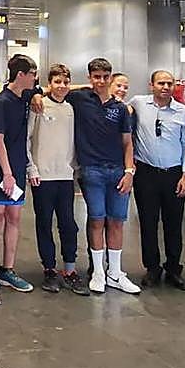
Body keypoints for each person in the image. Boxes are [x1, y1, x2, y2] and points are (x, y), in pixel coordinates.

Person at [35, 58, 140, 295]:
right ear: (90, 78)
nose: (101, 81)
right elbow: (60, 87)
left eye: (105, 77)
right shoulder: (80, 98)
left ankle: (114, 273)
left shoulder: (121, 108)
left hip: (118, 172)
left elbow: (127, 142)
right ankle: (98, 274)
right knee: (96, 219)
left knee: (116, 222)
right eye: (96, 77)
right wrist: (38, 93)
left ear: (110, 78)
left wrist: (129, 171)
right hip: (91, 170)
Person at [129, 70, 185, 290]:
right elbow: (116, 102)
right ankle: (152, 268)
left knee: (173, 224)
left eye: (169, 83)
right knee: (148, 223)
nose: (165, 87)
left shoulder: (183, 112)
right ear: (151, 85)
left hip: (174, 174)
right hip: (146, 173)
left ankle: (174, 268)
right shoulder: (138, 103)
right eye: (161, 83)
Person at [27, 64, 86, 295]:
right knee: (44, 223)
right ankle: (49, 269)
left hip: (65, 176)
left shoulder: (72, 108)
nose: (61, 86)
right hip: (42, 176)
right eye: (57, 82)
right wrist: (31, 169)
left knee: (68, 224)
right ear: (49, 83)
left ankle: (69, 269)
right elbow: (27, 139)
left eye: (65, 82)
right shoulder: (38, 106)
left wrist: (75, 169)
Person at [0, 55, 37, 296]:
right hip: (0, 166)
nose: (35, 79)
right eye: (32, 74)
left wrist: (36, 94)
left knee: (14, 216)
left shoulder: (26, 96)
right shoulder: (2, 101)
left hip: (17, 165)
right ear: (21, 75)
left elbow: (43, 91)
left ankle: (8, 269)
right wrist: (6, 173)